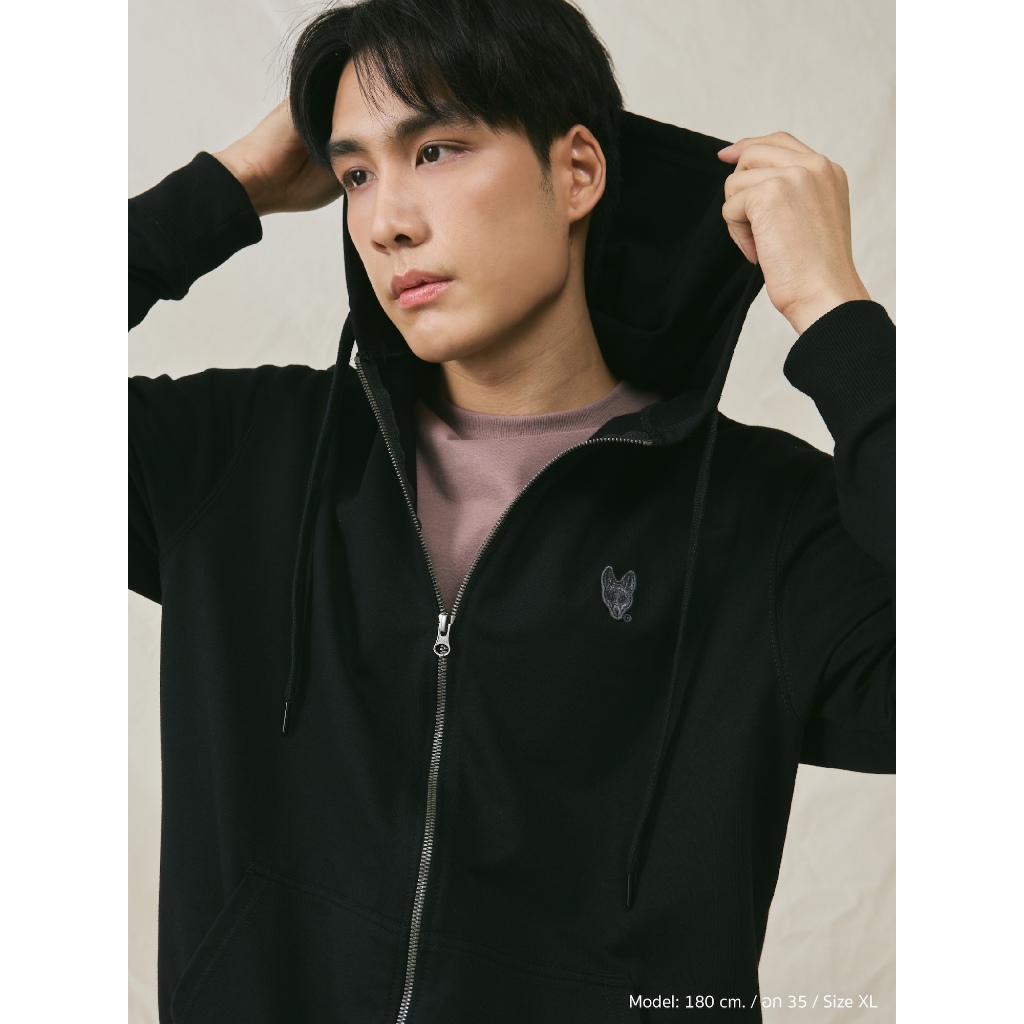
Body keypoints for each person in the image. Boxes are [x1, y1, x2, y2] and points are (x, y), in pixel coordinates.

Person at [128, 0, 895, 1019]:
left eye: (434, 150)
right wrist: (226, 186)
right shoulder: (240, 459)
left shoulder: (765, 526)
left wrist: (838, 317)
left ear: (576, 172)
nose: (386, 220)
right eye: (355, 174)